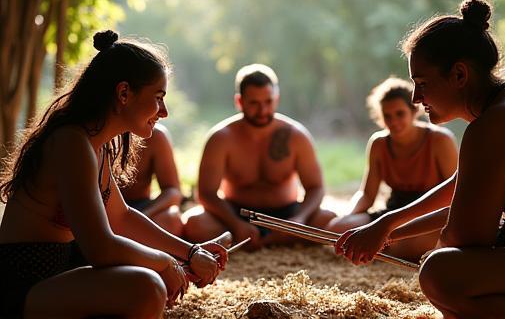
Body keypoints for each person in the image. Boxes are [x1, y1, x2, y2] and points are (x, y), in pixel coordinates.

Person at [0, 30, 227, 319]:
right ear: (123, 93)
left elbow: (121, 217)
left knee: (145, 270)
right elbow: (101, 249)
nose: (164, 111)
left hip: (61, 273)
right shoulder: (71, 142)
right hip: (24, 288)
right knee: (147, 286)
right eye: (158, 98)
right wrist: (166, 262)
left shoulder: (94, 144)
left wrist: (191, 252)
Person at [336, 0, 505, 317]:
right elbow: (461, 190)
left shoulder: (494, 123)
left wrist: (419, 235)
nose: (417, 99)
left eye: (422, 84)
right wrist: (387, 227)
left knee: (439, 271)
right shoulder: (500, 108)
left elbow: (466, 235)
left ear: (459, 74)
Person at [182, 64, 336, 250]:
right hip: (235, 214)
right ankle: (264, 239)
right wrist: (235, 224)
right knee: (194, 224)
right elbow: (206, 193)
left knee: (328, 220)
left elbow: (316, 187)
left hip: (287, 216)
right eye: (254, 103)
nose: (262, 110)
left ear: (276, 99)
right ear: (239, 102)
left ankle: (266, 239)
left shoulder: (296, 136)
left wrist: (299, 219)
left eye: (268, 102)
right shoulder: (221, 138)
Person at [326, 77, 458, 260]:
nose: (393, 121)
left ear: (413, 111)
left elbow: (456, 194)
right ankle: (383, 246)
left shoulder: (440, 140)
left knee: (407, 245)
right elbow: (367, 195)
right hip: (391, 214)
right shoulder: (379, 144)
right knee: (336, 229)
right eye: (387, 116)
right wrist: (348, 218)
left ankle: (384, 247)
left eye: (399, 114)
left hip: (426, 218)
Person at [121, 123, 184, 236]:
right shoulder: (95, 135)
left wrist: (142, 216)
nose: (163, 112)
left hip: (142, 207)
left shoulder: (155, 135)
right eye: (157, 103)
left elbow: (173, 191)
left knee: (171, 219)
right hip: (101, 209)